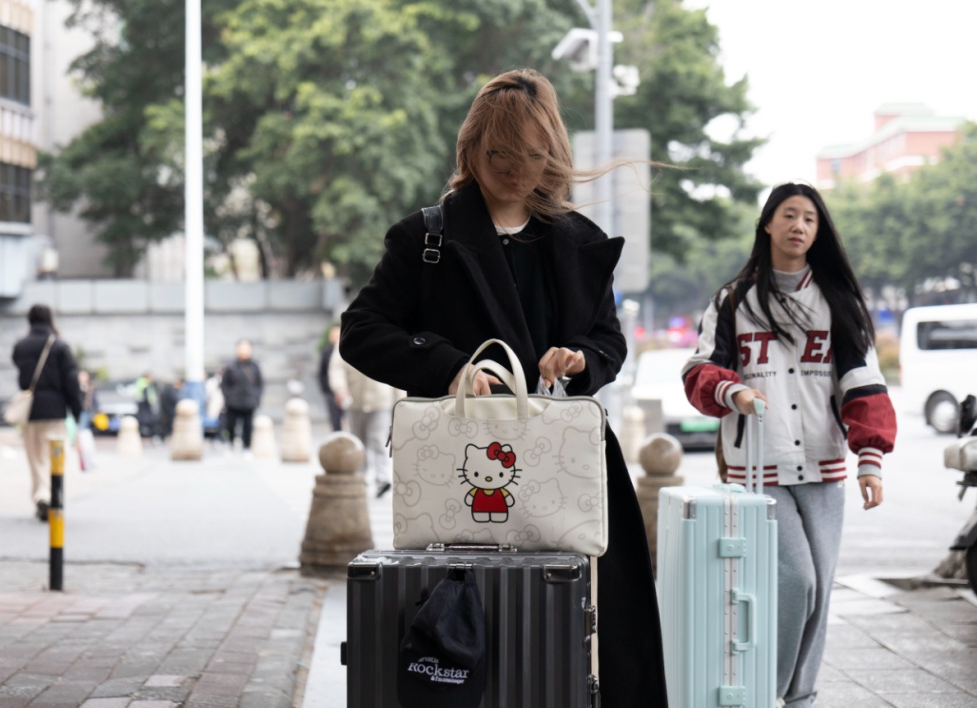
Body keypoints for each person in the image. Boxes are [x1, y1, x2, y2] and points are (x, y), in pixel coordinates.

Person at [338, 68, 667, 706]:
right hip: (465, 469)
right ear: (470, 152)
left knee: (595, 633)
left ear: (554, 156)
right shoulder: (425, 239)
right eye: (500, 156)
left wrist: (581, 359)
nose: (517, 171)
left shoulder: (579, 242)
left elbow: (611, 342)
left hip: (569, 465)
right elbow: (361, 330)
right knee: (475, 627)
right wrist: (449, 366)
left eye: (534, 155)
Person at [682, 182, 897, 708]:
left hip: (823, 467)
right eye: (789, 215)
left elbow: (862, 383)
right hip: (758, 470)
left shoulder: (837, 302)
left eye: (810, 219)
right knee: (796, 581)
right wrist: (732, 390)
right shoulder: (734, 300)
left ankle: (800, 698)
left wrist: (870, 458)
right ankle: (765, 692)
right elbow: (698, 372)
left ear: (818, 232)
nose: (799, 226)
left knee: (821, 592)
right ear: (768, 224)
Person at [11, 304, 83, 521]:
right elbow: (71, 380)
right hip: (55, 411)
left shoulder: (21, 346)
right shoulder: (59, 346)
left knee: (35, 457)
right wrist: (77, 411)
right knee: (55, 456)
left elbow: (20, 372)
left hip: (30, 411)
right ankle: (51, 495)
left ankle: (41, 496)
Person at [327, 345, 401, 498]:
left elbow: (396, 368)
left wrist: (400, 401)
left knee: (379, 440)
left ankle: (382, 478)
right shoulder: (348, 334)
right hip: (355, 400)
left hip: (381, 400)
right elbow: (337, 368)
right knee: (357, 441)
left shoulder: (387, 333)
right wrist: (340, 389)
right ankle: (360, 477)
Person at [220, 339, 264, 455]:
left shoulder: (254, 366)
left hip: (249, 402)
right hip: (233, 403)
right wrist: (228, 397)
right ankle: (229, 444)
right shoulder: (230, 366)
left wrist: (256, 397)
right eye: (242, 348)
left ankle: (247, 448)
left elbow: (260, 384)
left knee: (248, 427)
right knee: (230, 425)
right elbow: (224, 384)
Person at [318, 324, 345, 432]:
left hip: (346, 392)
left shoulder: (345, 349)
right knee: (335, 419)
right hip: (331, 392)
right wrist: (326, 389)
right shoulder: (327, 351)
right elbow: (322, 371)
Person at [134, 372, 160, 440]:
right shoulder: (145, 383)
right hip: (144, 404)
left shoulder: (140, 382)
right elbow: (147, 395)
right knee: (146, 419)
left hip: (141, 403)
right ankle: (146, 433)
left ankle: (144, 432)